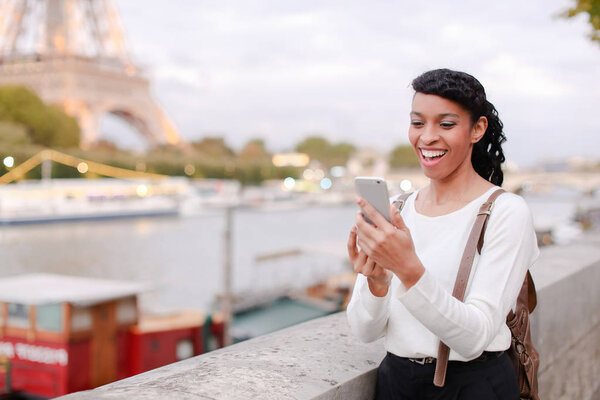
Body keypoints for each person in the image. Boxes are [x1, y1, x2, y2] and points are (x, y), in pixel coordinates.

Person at [346, 68, 539, 399]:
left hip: (474, 386)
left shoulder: (506, 212)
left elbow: (474, 337)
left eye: (446, 124)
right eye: (418, 123)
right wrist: (377, 284)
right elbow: (365, 332)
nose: (427, 137)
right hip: (395, 383)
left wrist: (408, 270)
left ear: (477, 129)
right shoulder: (398, 208)